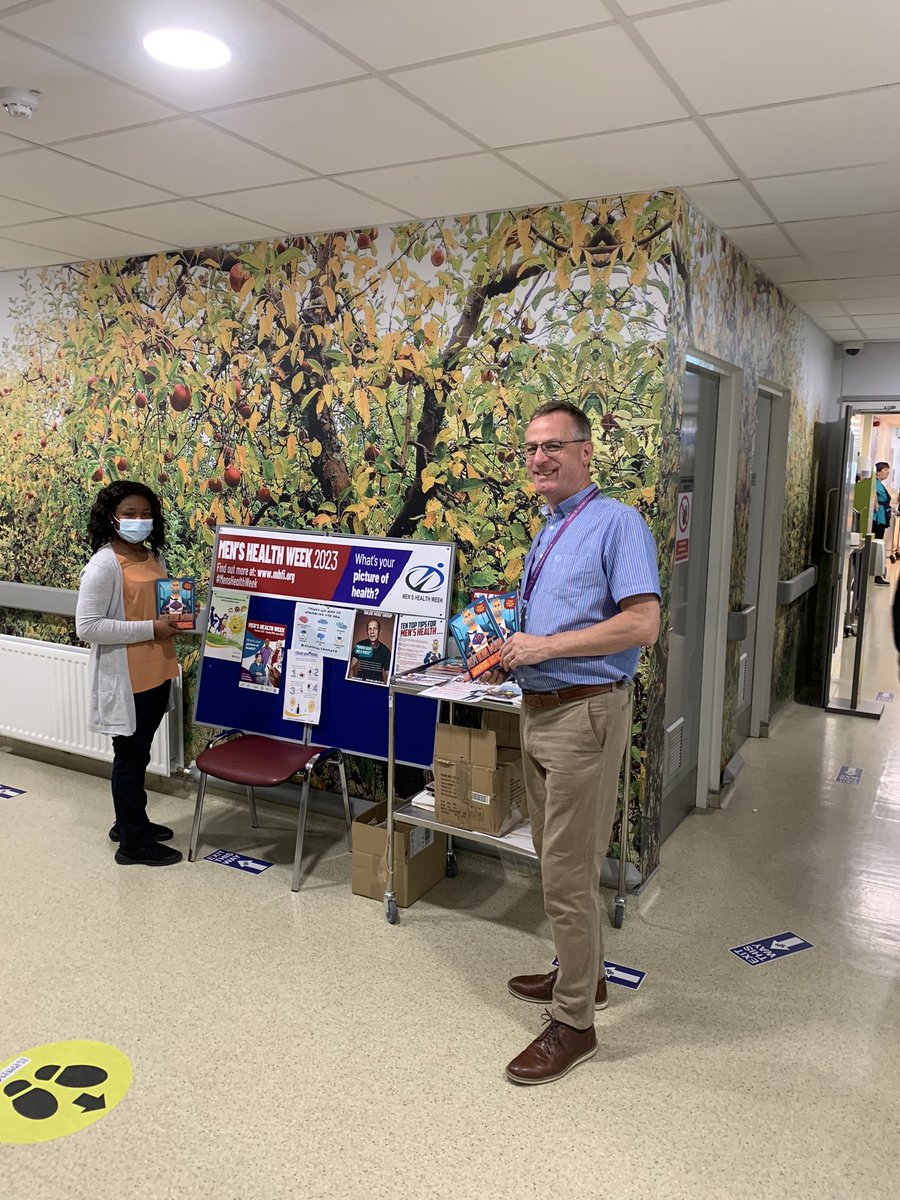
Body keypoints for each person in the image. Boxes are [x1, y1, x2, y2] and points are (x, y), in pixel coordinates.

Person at [497, 400, 660, 1086]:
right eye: (531, 448)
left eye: (554, 446)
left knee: (567, 871)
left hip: (584, 712)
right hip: (539, 707)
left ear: (586, 452)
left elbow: (642, 625)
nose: (539, 459)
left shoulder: (617, 523)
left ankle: (575, 1026)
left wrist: (547, 645)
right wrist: (513, 645)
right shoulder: (550, 526)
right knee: (550, 853)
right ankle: (584, 979)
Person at [75, 481, 182, 867]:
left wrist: (175, 614)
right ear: (112, 517)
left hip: (156, 673)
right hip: (128, 680)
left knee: (138, 755)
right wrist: (150, 629)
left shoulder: (150, 556)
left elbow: (154, 606)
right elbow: (87, 627)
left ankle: (130, 822)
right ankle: (133, 844)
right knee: (130, 759)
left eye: (146, 514)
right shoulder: (104, 565)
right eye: (130, 514)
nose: (139, 521)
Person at [349, 618, 392, 684]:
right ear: (367, 631)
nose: (372, 632)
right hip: (360, 682)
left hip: (377, 684)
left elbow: (387, 675)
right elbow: (350, 667)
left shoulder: (386, 651)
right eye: (370, 629)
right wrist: (352, 683)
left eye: (375, 628)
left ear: (380, 631)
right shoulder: (360, 645)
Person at [872, 462, 892, 586]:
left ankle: (877, 573)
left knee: (879, 545)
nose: (887, 472)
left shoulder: (880, 484)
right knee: (877, 546)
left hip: (881, 517)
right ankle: (876, 574)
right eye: (885, 470)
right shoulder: (874, 483)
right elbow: (874, 499)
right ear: (878, 471)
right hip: (877, 519)